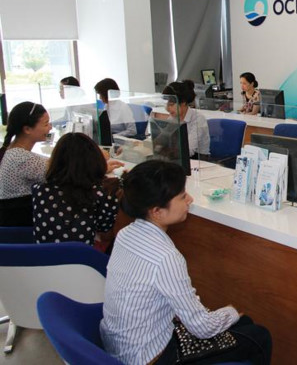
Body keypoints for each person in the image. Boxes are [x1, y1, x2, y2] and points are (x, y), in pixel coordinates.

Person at [100, 160, 272, 365]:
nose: (190, 199)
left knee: (243, 324)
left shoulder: (125, 234)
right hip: (151, 357)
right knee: (259, 336)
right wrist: (231, 310)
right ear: (157, 211)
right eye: (182, 196)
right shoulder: (166, 257)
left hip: (120, 347)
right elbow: (201, 328)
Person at [32, 132, 120, 246]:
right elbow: (104, 229)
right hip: (81, 255)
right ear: (95, 160)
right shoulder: (101, 194)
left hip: (43, 254)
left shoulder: (39, 189)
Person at [0, 102, 51, 226]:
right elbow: (62, 175)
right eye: (46, 124)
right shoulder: (23, 159)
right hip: (23, 224)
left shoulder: (13, 152)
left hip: (13, 221)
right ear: (27, 129)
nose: (50, 127)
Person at [162, 80, 210, 157]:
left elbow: (188, 150)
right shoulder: (173, 117)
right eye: (166, 104)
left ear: (183, 102)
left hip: (198, 159)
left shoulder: (198, 119)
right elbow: (163, 137)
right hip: (178, 155)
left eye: (171, 104)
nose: (167, 108)